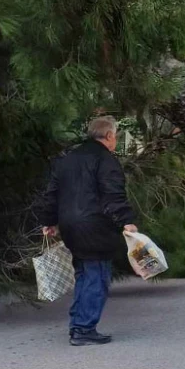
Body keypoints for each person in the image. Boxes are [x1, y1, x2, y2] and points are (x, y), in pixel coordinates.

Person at [36, 116, 137, 346]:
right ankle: (83, 328)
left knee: (83, 272)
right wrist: (126, 221)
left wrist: (49, 221)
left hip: (69, 225)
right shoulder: (105, 160)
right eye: (116, 135)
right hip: (94, 225)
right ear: (110, 136)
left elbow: (51, 193)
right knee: (96, 275)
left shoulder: (68, 159)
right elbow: (113, 194)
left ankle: (79, 324)